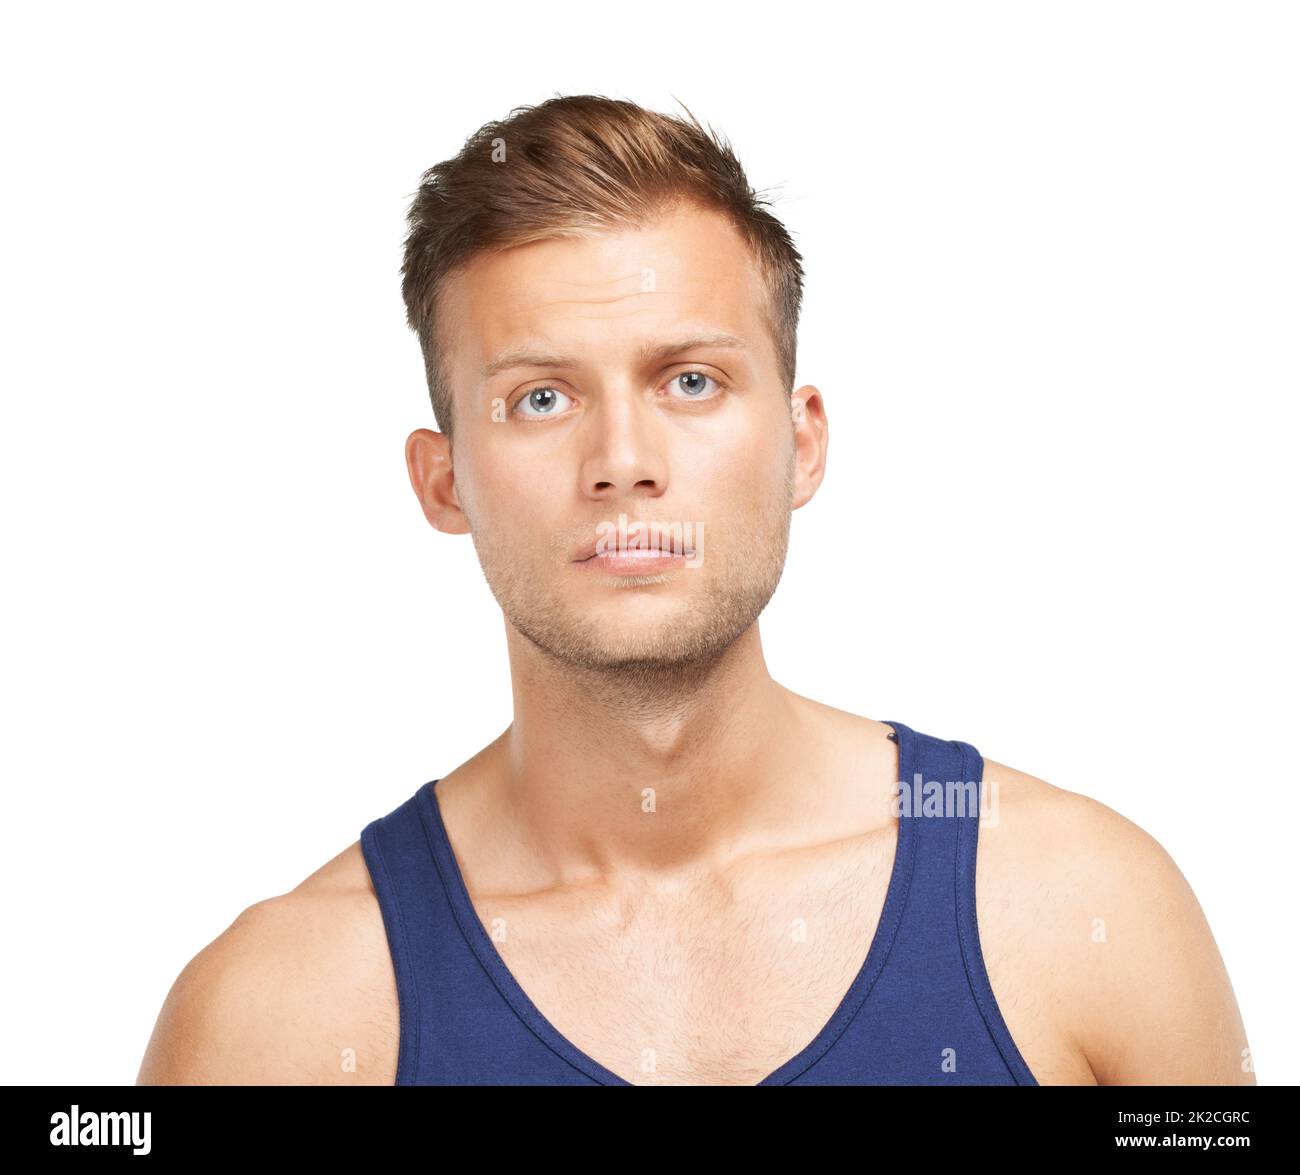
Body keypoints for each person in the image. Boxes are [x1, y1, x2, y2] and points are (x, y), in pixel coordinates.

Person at [137, 94, 1254, 1086]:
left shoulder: (1086, 911)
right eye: (539, 398)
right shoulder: (278, 1016)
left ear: (802, 442)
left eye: (690, 379)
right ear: (443, 482)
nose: (623, 458)